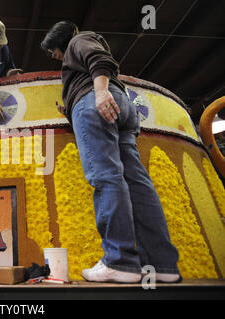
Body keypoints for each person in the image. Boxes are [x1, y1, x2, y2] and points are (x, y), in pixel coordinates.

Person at [41, 21, 180, 283]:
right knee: (136, 182)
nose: (54, 56)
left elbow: (99, 59)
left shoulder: (77, 40)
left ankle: (120, 261)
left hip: (97, 101)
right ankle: (161, 265)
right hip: (120, 108)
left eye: (52, 51)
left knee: (106, 178)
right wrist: (72, 109)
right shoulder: (81, 49)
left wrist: (99, 93)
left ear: (57, 42)